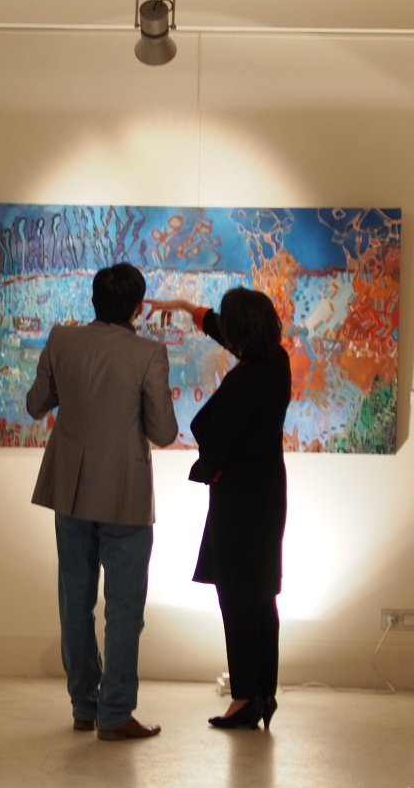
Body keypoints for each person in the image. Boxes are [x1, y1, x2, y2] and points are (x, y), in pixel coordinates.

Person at [27, 262, 178, 740]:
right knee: (124, 609)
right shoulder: (148, 353)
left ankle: (83, 705)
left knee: (75, 601)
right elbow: (164, 432)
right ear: (138, 307)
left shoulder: (61, 340)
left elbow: (35, 404)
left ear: (93, 299)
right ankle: (115, 713)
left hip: (70, 489)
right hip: (124, 494)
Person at [149, 288, 292, 730]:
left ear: (238, 333)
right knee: (260, 595)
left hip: (239, 500)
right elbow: (221, 328)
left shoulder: (246, 381)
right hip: (267, 492)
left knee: (238, 597)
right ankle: (262, 693)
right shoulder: (277, 360)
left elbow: (213, 434)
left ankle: (245, 698)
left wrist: (210, 467)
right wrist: (185, 308)